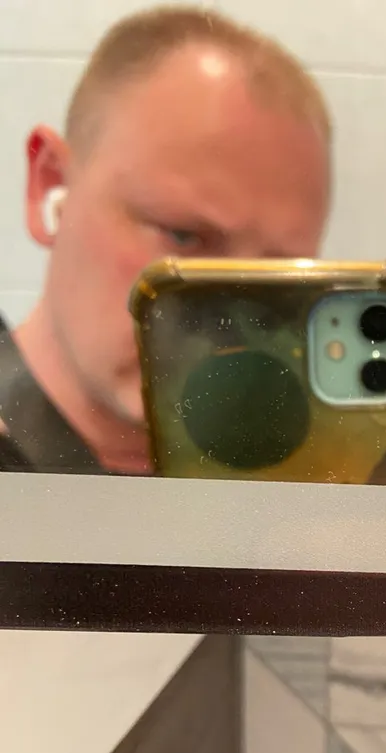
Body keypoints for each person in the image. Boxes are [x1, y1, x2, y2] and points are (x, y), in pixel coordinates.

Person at [0, 5, 331, 474]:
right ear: (49, 183)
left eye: (275, 277)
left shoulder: (333, 471)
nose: (231, 319)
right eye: (183, 236)